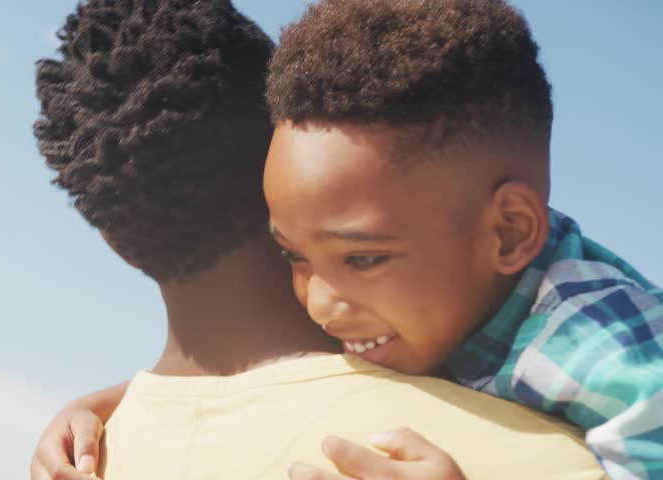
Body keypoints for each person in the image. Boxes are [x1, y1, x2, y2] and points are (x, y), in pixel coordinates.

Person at [30, 1, 607, 479]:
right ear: (284, 159)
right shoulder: (563, 454)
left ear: (112, 239)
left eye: (363, 258)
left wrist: (119, 403)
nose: (325, 301)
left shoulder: (80, 457)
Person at [261, 0, 663, 478]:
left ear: (509, 234)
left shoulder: (609, 363)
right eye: (293, 254)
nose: (319, 305)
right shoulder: (449, 303)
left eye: (363, 259)